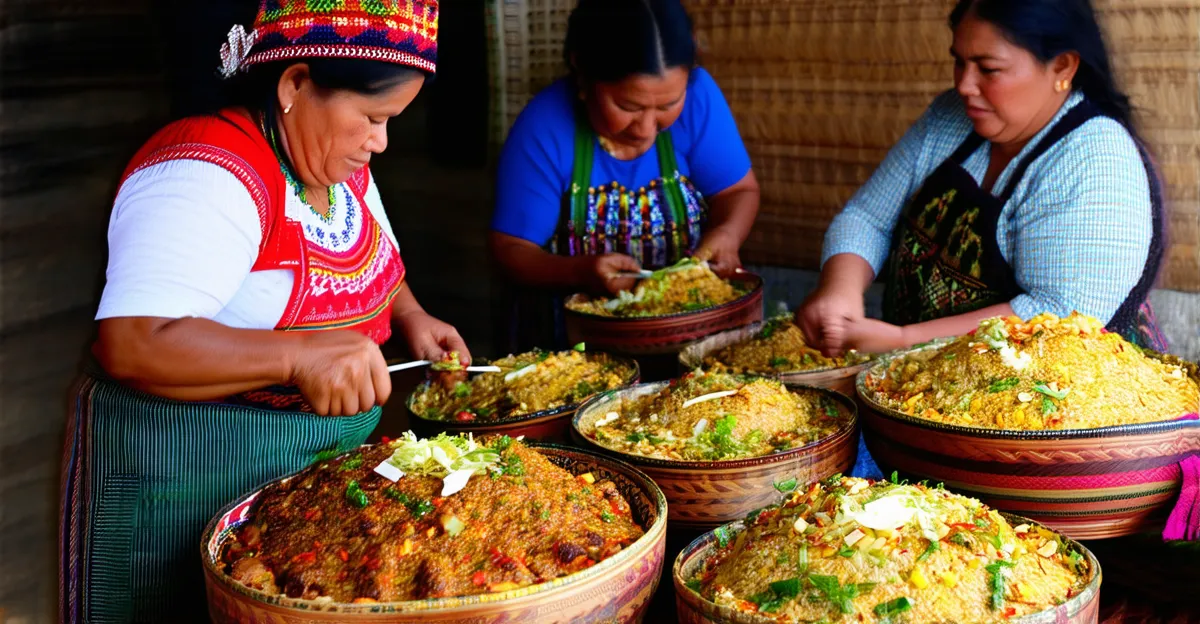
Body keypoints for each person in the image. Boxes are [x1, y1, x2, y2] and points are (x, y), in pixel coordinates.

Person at [59, 2, 467, 621]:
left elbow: (379, 259)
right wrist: (298, 355)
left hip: (301, 485)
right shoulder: (203, 171)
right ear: (294, 84)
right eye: (372, 117)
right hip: (177, 482)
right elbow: (134, 342)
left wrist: (410, 315)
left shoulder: (337, 167)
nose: (381, 141)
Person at [797, 0, 1168, 358]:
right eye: (959, 62)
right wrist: (840, 291)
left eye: (988, 69)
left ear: (1062, 67)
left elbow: (1060, 316)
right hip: (924, 381)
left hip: (1056, 403)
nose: (964, 85)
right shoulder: (951, 119)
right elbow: (868, 217)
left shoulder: (1095, 160)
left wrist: (905, 340)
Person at [489, 0, 760, 351]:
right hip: (577, 347)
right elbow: (510, 249)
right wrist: (581, 272)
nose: (647, 129)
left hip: (696, 337)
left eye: (666, 106)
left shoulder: (699, 98)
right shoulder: (546, 125)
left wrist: (727, 234)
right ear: (582, 71)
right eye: (628, 107)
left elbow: (738, 192)